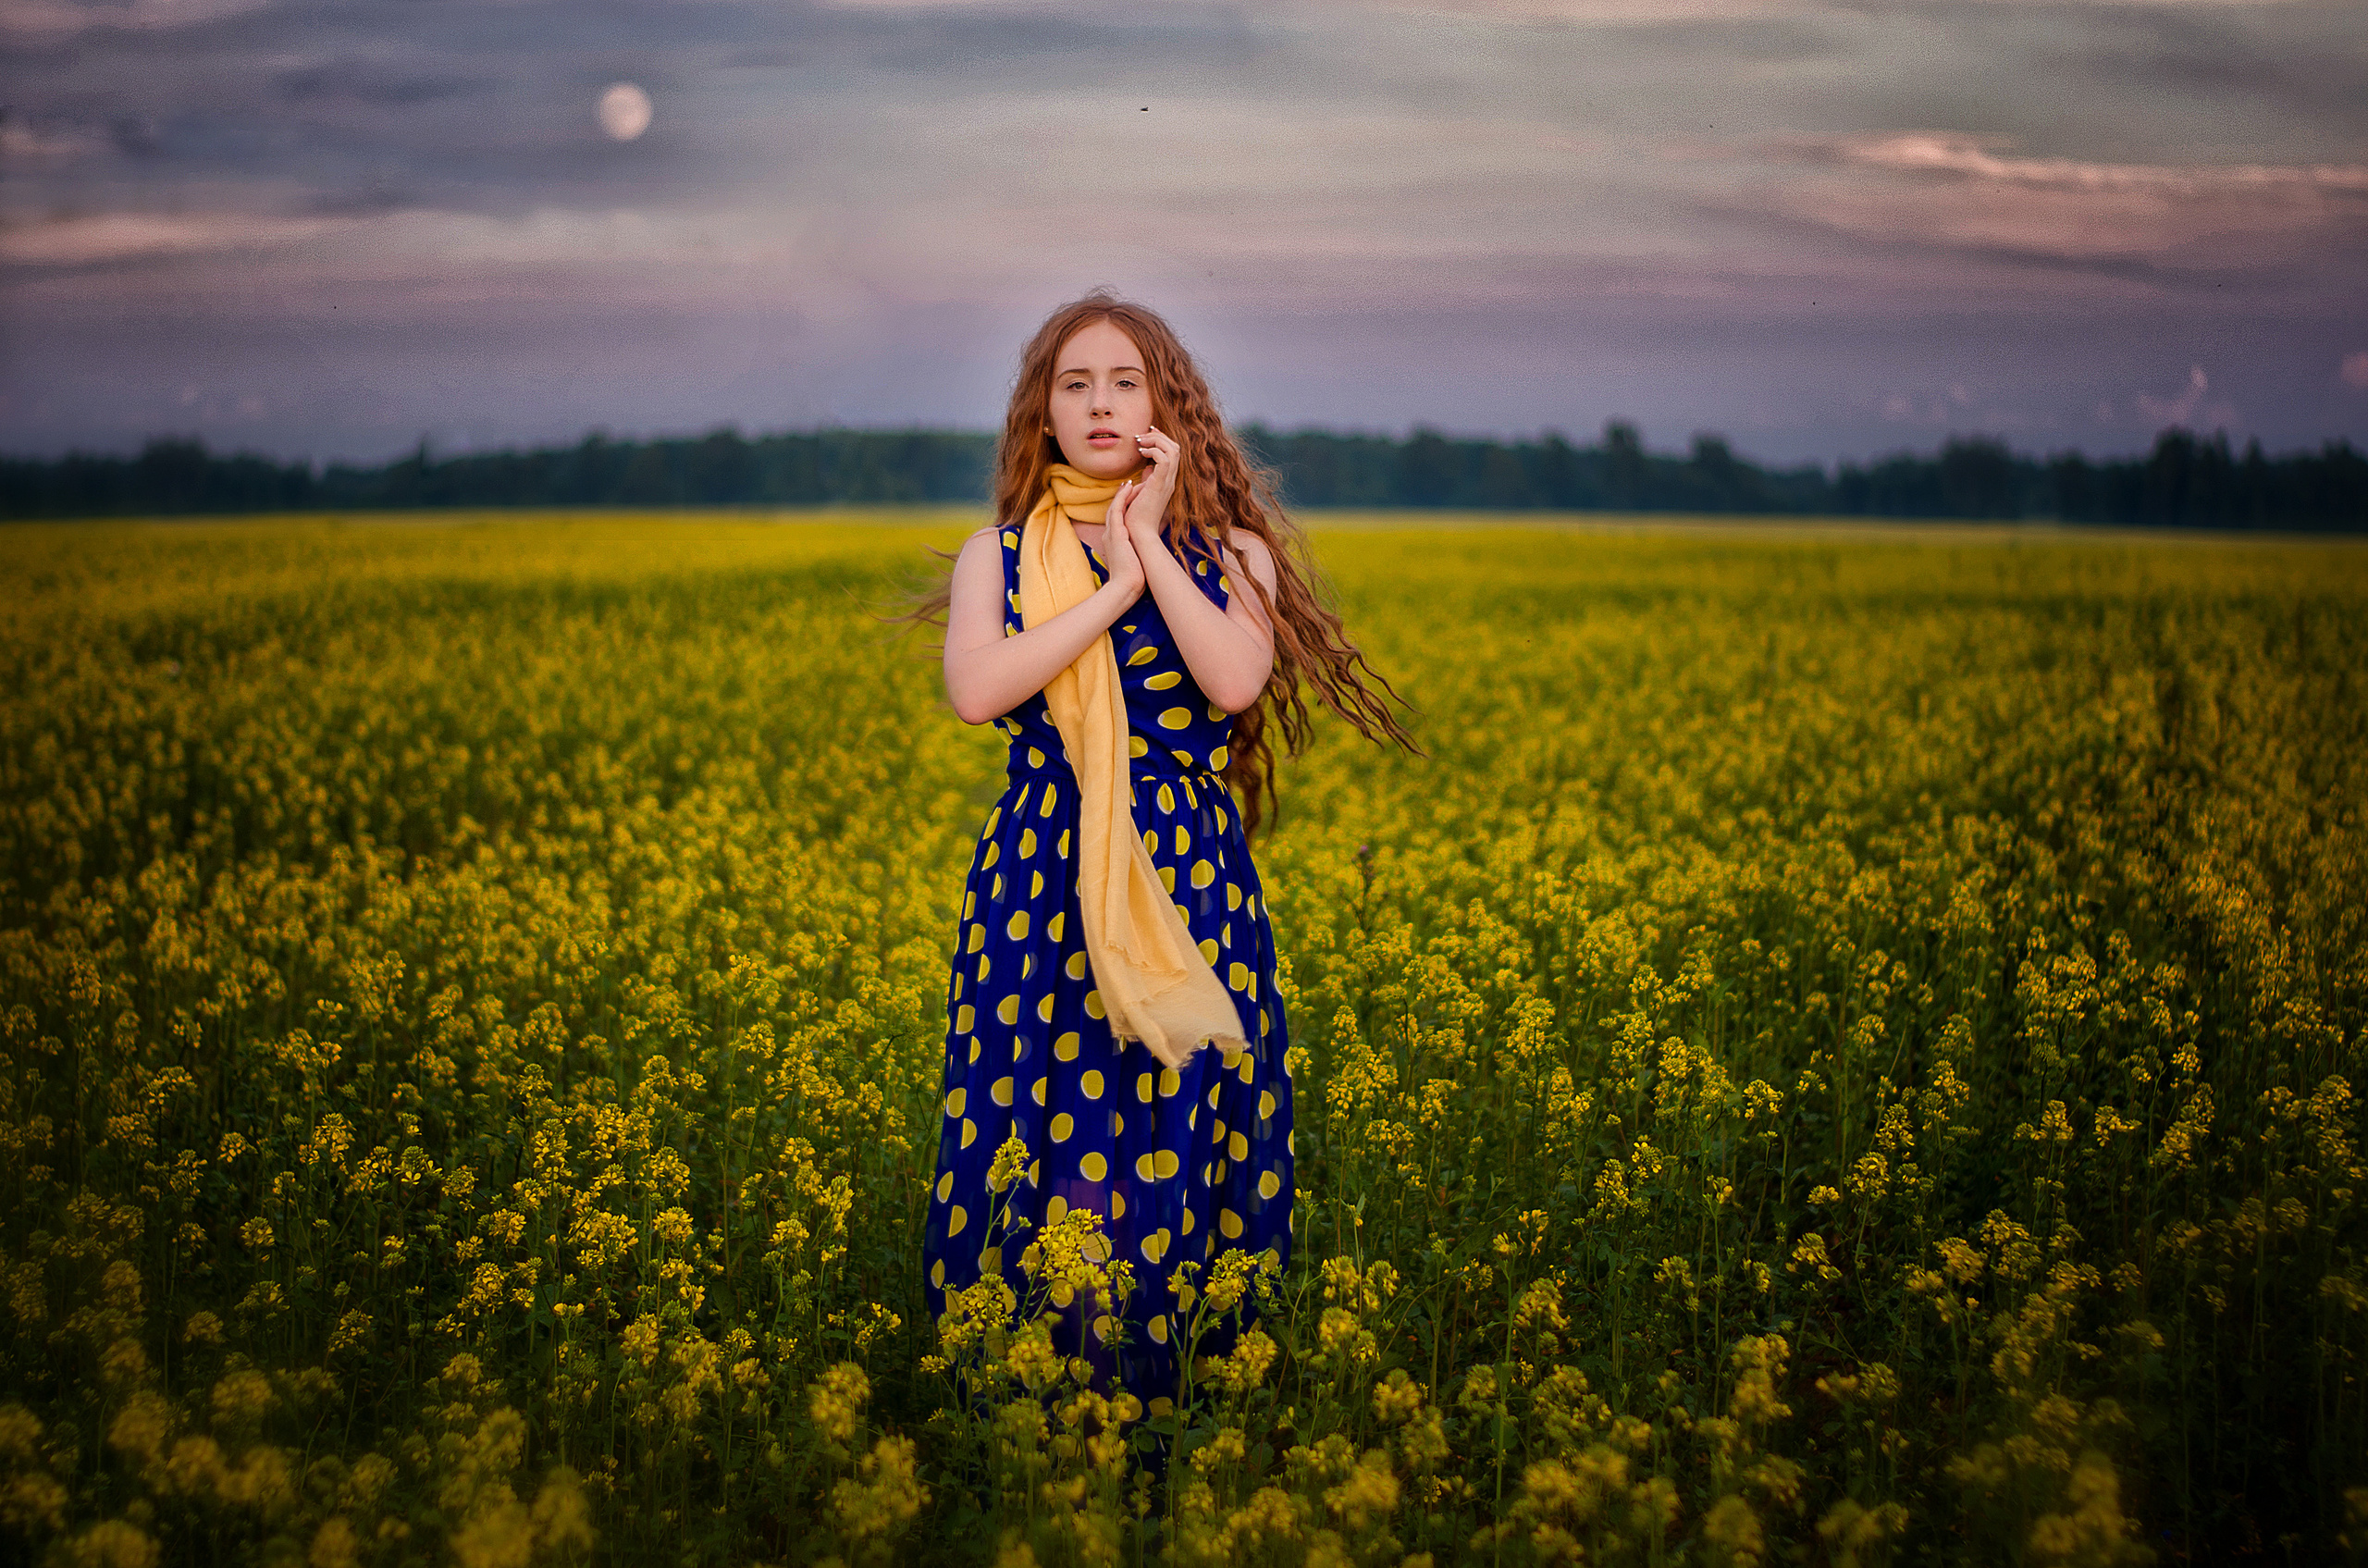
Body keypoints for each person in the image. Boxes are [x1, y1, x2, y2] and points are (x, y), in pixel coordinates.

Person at [915, 290, 1414, 1409]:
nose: (1099, 402)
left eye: (1125, 381)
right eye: (1075, 383)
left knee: (1167, 1129)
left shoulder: (1228, 551)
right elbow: (976, 691)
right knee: (1043, 1138)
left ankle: (1164, 1410)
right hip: (1040, 876)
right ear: (1040, 413)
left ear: (1163, 407)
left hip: (1186, 873)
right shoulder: (995, 558)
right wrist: (1112, 596)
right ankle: (1042, 1412)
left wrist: (1146, 541)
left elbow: (1233, 681)